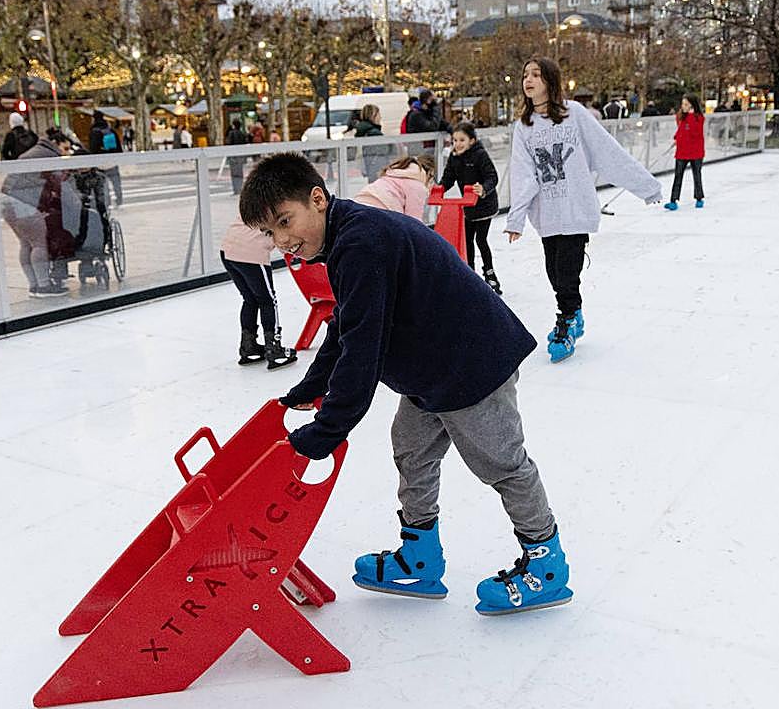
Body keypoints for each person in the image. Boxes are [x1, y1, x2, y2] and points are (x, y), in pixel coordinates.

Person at [239, 152, 569, 616]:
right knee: (412, 450)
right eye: (271, 233)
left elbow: (362, 355)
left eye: (285, 222)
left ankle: (546, 566)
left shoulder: (361, 242)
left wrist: (326, 431)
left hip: (472, 365)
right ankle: (421, 555)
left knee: (503, 464)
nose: (282, 241)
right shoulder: (343, 238)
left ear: (317, 199)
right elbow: (346, 327)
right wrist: (306, 391)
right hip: (431, 369)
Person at [507, 57, 662, 364]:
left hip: (575, 208)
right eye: (525, 75)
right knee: (553, 271)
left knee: (566, 272)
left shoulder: (573, 114)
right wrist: (517, 218)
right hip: (547, 212)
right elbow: (523, 175)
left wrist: (647, 187)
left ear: (550, 81)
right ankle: (573, 313)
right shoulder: (523, 126)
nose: (529, 80)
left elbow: (608, 153)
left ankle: (566, 320)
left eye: (536, 75)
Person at [220, 213, 296, 369]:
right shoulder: (281, 200)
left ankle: (249, 347)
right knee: (268, 300)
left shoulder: (256, 195)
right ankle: (274, 349)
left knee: (250, 299)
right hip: (251, 252)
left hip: (228, 249)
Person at [0, 127, 70, 298]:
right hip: (23, 201)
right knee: (39, 243)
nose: (66, 152)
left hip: (6, 199)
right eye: (66, 148)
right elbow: (57, 182)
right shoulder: (50, 155)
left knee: (26, 242)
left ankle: (34, 285)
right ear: (57, 143)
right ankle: (44, 286)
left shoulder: (37, 150)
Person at [441, 121, 501, 294]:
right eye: (454, 140)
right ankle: (470, 274)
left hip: (484, 205)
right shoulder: (454, 157)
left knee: (481, 240)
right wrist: (439, 189)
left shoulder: (480, 155)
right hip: (467, 207)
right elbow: (448, 178)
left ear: (472, 141)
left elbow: (492, 176)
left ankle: (490, 274)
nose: (457, 144)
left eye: (462, 140)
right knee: (466, 241)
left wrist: (483, 188)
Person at [353, 154, 434, 218]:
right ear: (430, 173)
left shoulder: (391, 174)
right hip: (380, 214)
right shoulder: (417, 186)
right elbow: (414, 224)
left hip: (356, 207)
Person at [666, 94, 706, 211]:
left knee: (696, 175)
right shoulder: (681, 116)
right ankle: (673, 200)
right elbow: (681, 129)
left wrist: (691, 115)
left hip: (696, 151)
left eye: (686, 104)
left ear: (692, 106)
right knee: (678, 176)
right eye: (682, 104)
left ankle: (699, 198)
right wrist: (676, 138)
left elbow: (695, 132)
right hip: (682, 151)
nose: (683, 107)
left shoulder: (698, 118)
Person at [88, 110, 123, 207]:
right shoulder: (110, 130)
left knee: (104, 185)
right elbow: (119, 147)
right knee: (116, 183)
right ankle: (119, 201)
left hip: (100, 164)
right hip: (112, 161)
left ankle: (107, 204)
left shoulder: (94, 131)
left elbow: (93, 149)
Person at [353, 103, 395, 182]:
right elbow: (384, 150)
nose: (380, 117)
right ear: (373, 116)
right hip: (377, 169)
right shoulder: (374, 133)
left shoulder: (364, 130)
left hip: (370, 168)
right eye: (379, 114)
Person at [226, 118, 250, 195]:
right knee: (240, 173)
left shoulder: (231, 133)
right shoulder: (242, 133)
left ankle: (236, 190)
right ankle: (240, 189)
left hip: (233, 155)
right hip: (241, 156)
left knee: (234, 173)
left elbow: (228, 143)